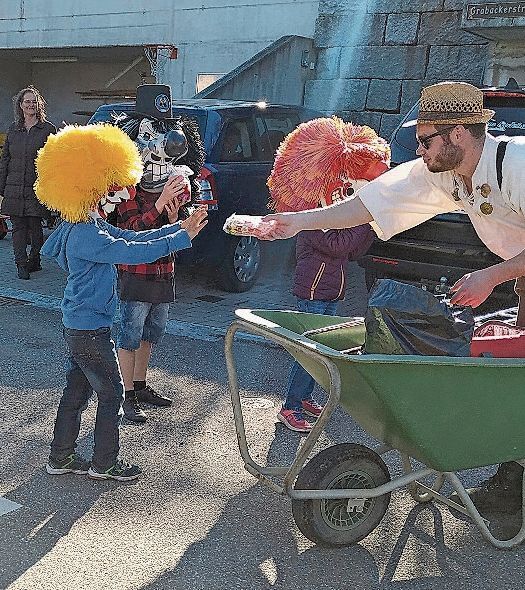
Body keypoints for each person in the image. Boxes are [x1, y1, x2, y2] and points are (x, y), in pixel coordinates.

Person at [252, 81, 525, 514]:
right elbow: (372, 203)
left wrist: (491, 276)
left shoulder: (518, 165)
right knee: (517, 385)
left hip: (510, 269)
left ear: (457, 134)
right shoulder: (449, 174)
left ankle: (512, 488)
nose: (418, 150)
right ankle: (513, 485)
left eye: (424, 140)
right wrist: (297, 222)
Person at [35, 123, 207, 481]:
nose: (116, 196)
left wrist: (177, 229)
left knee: (76, 393)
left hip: (80, 327)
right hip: (90, 331)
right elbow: (128, 249)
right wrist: (181, 238)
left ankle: (61, 458)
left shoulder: (83, 224)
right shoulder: (86, 234)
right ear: (91, 191)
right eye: (108, 191)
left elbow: (131, 235)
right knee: (112, 395)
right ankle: (104, 463)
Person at [114, 84, 206, 422]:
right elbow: (134, 229)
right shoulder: (125, 190)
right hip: (135, 273)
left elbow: (172, 231)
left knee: (152, 333)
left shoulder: (171, 183)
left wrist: (176, 217)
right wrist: (159, 201)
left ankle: (140, 385)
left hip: (164, 272)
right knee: (129, 334)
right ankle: (126, 396)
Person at [278, 223, 374, 432]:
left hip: (329, 292)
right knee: (308, 353)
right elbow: (337, 246)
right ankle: (290, 407)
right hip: (313, 293)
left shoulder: (336, 219)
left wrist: (370, 229)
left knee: (319, 351)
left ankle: (303, 397)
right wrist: (364, 222)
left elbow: (353, 252)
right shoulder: (315, 219)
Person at [0, 86, 56, 279]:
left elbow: (53, 160)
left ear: (38, 105)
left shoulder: (48, 129)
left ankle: (35, 259)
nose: (30, 105)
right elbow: (5, 159)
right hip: (14, 188)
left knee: (36, 228)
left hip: (37, 187)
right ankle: (21, 264)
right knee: (18, 229)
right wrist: (1, 188)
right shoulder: (13, 129)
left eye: (33, 101)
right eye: (27, 102)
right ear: (21, 105)